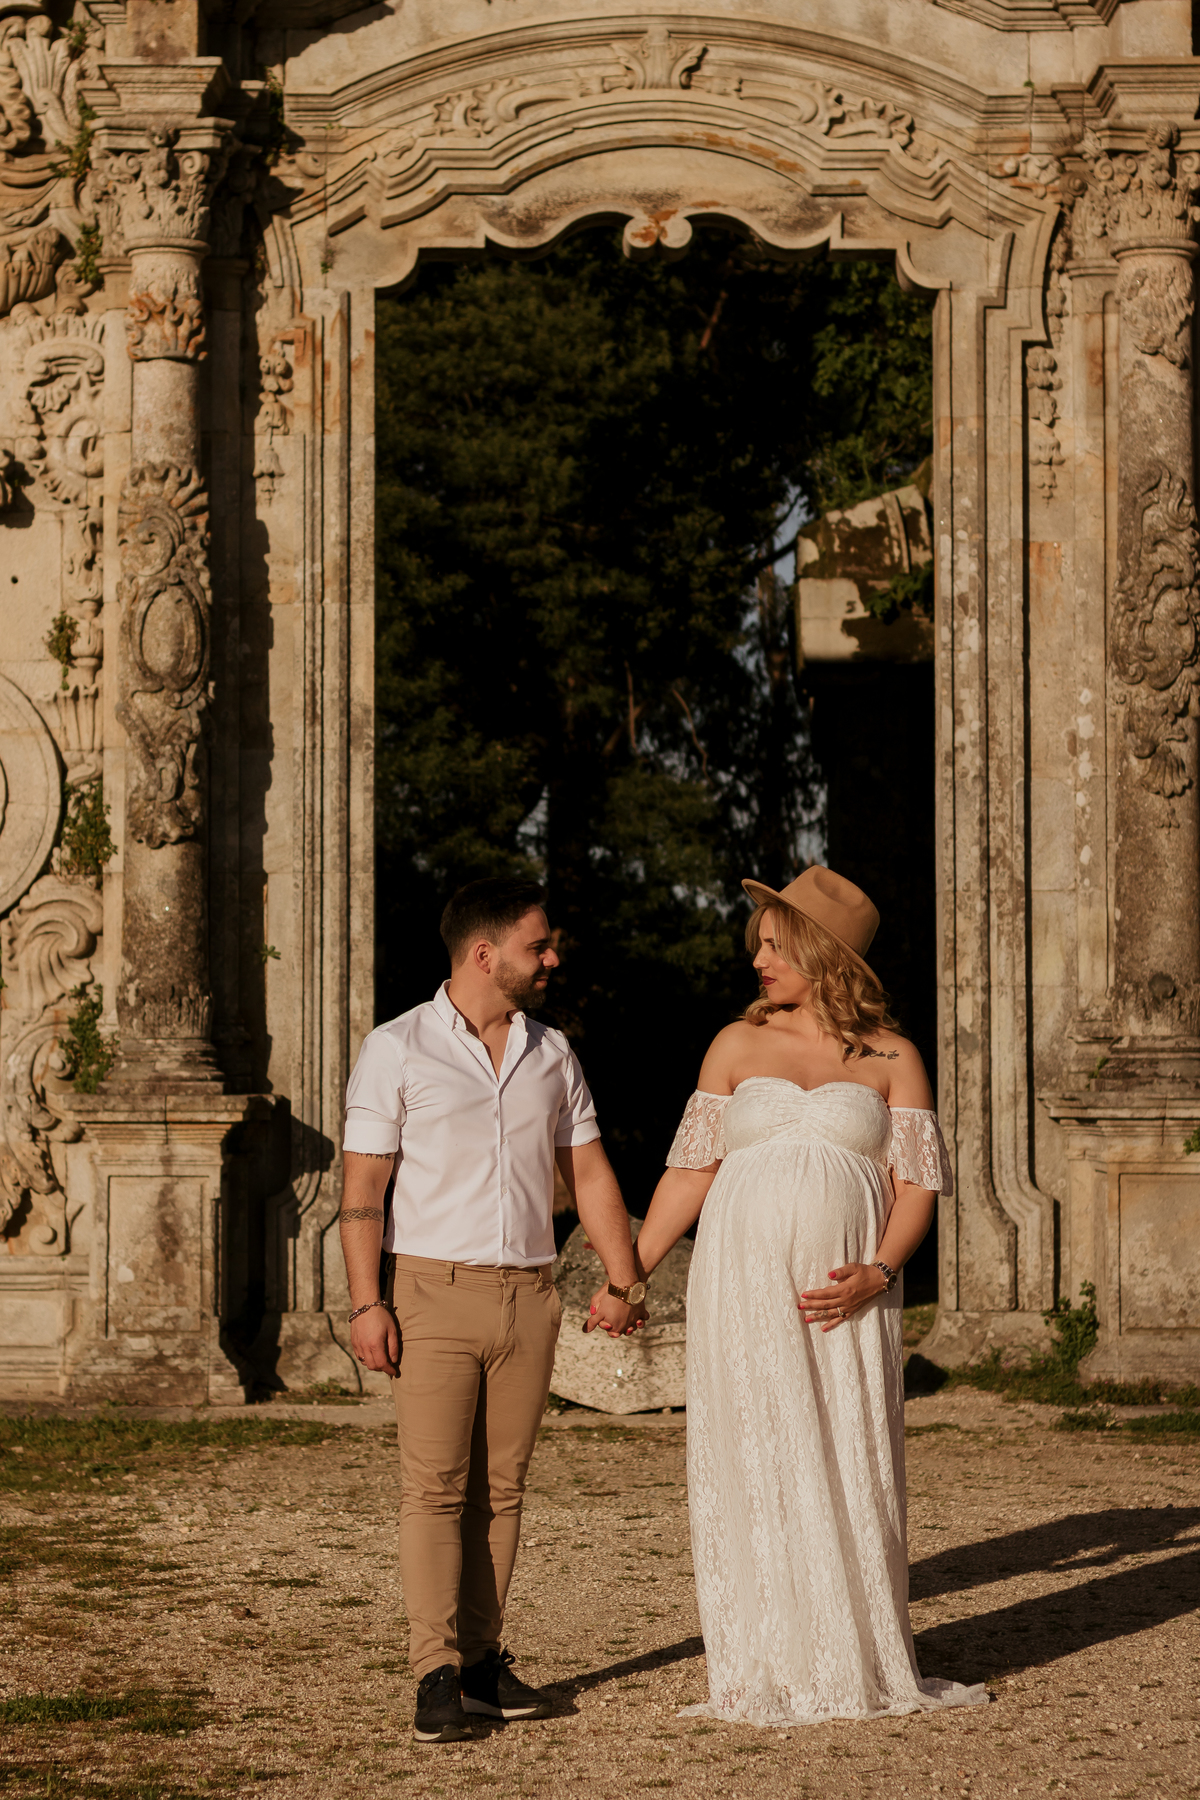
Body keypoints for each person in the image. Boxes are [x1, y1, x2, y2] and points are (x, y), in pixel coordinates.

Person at [607, 866, 988, 1726]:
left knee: (846, 1447)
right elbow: (690, 1172)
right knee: (754, 1448)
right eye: (760, 947)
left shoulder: (893, 1057)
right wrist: (629, 1274)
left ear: (825, 953)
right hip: (740, 1289)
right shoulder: (734, 1046)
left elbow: (918, 1185)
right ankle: (764, 1659)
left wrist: (879, 1271)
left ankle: (853, 1654)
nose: (759, 960)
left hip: (847, 1295)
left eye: (776, 946)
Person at [340, 877, 646, 1744]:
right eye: (537, 946)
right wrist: (367, 1302)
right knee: (435, 1489)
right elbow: (363, 1188)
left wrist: (624, 1279)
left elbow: (588, 1171)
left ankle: (480, 1664)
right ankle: (433, 1673)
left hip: (531, 1295)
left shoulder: (553, 1053)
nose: (551, 959)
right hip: (430, 1292)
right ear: (485, 954)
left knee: (501, 1490)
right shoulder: (397, 1048)